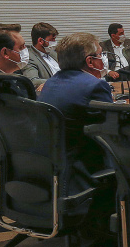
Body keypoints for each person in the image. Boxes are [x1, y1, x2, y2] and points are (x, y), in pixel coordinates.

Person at [38, 32, 114, 177]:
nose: (103, 58)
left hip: (54, 162)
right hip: (84, 167)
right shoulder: (95, 86)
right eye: (100, 54)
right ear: (90, 61)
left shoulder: (51, 82)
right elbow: (112, 129)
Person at [23, 22, 60, 88]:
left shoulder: (54, 53)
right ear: (40, 41)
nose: (54, 42)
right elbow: (32, 81)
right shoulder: (28, 58)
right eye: (52, 39)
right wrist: (60, 81)